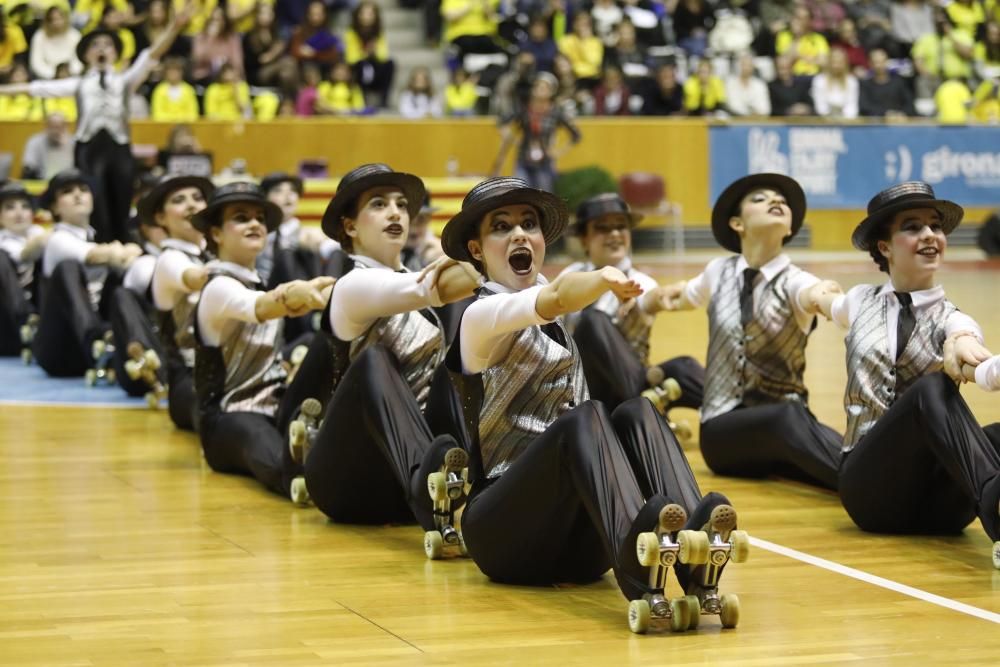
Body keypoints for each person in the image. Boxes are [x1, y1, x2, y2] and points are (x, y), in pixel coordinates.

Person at [439, 176, 748, 632]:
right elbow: (557, 296)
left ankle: (694, 557)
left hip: (581, 547)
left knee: (637, 410)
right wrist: (604, 276)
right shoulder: (479, 318)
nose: (520, 233)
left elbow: (554, 300)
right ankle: (639, 558)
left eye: (529, 224)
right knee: (584, 417)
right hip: (503, 533)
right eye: (501, 228)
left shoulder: (554, 318)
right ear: (478, 250)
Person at [815, 181, 1000, 568]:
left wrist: (981, 363)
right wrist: (808, 290)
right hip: (871, 494)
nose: (930, 235)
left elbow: (966, 351)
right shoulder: (860, 300)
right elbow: (824, 302)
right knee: (931, 387)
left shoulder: (955, 319)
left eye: (935, 226)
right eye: (913, 227)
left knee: (990, 428)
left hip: (941, 510)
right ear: (884, 247)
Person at [285, 163, 477, 526]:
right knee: (374, 359)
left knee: (454, 367)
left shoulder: (410, 280)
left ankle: (474, 483)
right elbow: (436, 288)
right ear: (350, 226)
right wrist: (484, 250)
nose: (395, 212)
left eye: (402, 205)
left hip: (399, 480)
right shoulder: (353, 286)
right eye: (378, 204)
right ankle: (430, 487)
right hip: (347, 476)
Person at [656, 173, 845, 490]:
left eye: (782, 201)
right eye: (760, 198)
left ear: (789, 229)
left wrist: (829, 298)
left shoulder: (797, 281)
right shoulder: (718, 271)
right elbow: (681, 296)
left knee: (794, 427)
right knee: (785, 417)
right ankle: (868, 480)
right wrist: (644, 297)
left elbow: (817, 296)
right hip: (722, 435)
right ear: (737, 224)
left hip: (780, 424)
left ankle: (863, 473)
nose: (776, 201)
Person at [0, 2, 194, 245]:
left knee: (122, 201)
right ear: (86, 55)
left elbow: (152, 54)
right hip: (89, 149)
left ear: (115, 53)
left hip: (119, 147)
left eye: (107, 45)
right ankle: (98, 247)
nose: (102, 49)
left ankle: (122, 248)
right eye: (95, 45)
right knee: (95, 203)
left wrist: (174, 27)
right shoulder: (78, 83)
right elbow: (36, 88)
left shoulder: (125, 81)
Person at [192, 182, 334, 502]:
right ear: (216, 234)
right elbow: (258, 307)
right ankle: (298, 475)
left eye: (259, 217)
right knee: (257, 436)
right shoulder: (217, 286)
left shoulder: (257, 282)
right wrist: (299, 294)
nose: (255, 223)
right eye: (241, 218)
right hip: (227, 418)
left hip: (278, 406)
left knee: (329, 337)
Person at [559, 192, 705, 419]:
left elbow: (648, 300)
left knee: (683, 367)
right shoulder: (571, 276)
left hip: (628, 379)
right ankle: (647, 405)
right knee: (593, 321)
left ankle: (732, 412)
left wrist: (651, 302)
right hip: (585, 389)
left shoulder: (641, 282)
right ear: (584, 239)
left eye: (621, 226)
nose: (615, 234)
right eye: (602, 228)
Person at [34, 169, 143, 379]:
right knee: (68, 268)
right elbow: (97, 255)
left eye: (83, 190)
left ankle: (130, 342)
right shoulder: (58, 238)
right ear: (55, 207)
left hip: (89, 336)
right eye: (67, 191)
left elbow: (123, 260)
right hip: (58, 348)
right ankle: (97, 343)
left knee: (121, 279)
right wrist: (127, 250)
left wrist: (127, 254)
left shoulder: (94, 237)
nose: (78, 195)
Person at [143, 173, 214, 428]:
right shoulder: (169, 259)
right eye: (179, 200)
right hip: (189, 379)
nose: (192, 205)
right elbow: (196, 279)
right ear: (161, 218)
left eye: (197, 198)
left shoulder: (211, 254)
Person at [493, 74, 582, 193]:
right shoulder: (524, 109)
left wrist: (558, 151)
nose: (540, 89)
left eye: (544, 87)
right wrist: (513, 140)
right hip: (523, 158)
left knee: (543, 195)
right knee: (520, 193)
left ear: (551, 91)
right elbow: (502, 123)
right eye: (537, 86)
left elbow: (575, 135)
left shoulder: (555, 112)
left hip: (545, 162)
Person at [0, 182, 47, 357]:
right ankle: (26, 322)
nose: (19, 213)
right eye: (10, 208)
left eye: (25, 206)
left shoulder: (38, 232)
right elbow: (24, 254)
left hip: (38, 307)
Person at [20, 112, 75, 180]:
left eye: (59, 127)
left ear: (65, 127)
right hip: (40, 181)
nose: (55, 131)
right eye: (53, 127)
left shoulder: (72, 142)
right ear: (47, 126)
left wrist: (64, 148)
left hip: (67, 181)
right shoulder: (35, 141)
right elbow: (28, 167)